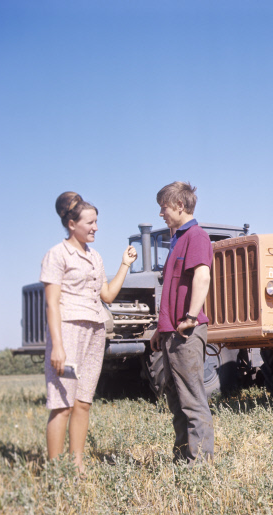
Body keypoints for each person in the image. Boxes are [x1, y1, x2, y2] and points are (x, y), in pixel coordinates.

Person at [41, 191, 137, 474]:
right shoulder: (56, 255)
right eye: (90, 222)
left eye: (97, 222)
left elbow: (107, 295)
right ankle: (56, 470)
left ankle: (77, 464)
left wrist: (125, 265)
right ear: (72, 224)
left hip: (95, 331)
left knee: (83, 402)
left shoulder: (95, 257)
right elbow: (51, 304)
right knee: (62, 404)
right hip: (68, 333)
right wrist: (58, 346)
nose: (96, 227)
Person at [149, 181, 213, 465]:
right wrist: (159, 330)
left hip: (185, 330)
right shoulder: (177, 239)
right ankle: (183, 458)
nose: (161, 213)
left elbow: (202, 276)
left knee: (191, 398)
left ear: (179, 206)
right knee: (176, 398)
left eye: (164, 207)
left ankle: (200, 464)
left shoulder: (196, 236)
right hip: (171, 332)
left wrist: (190, 317)